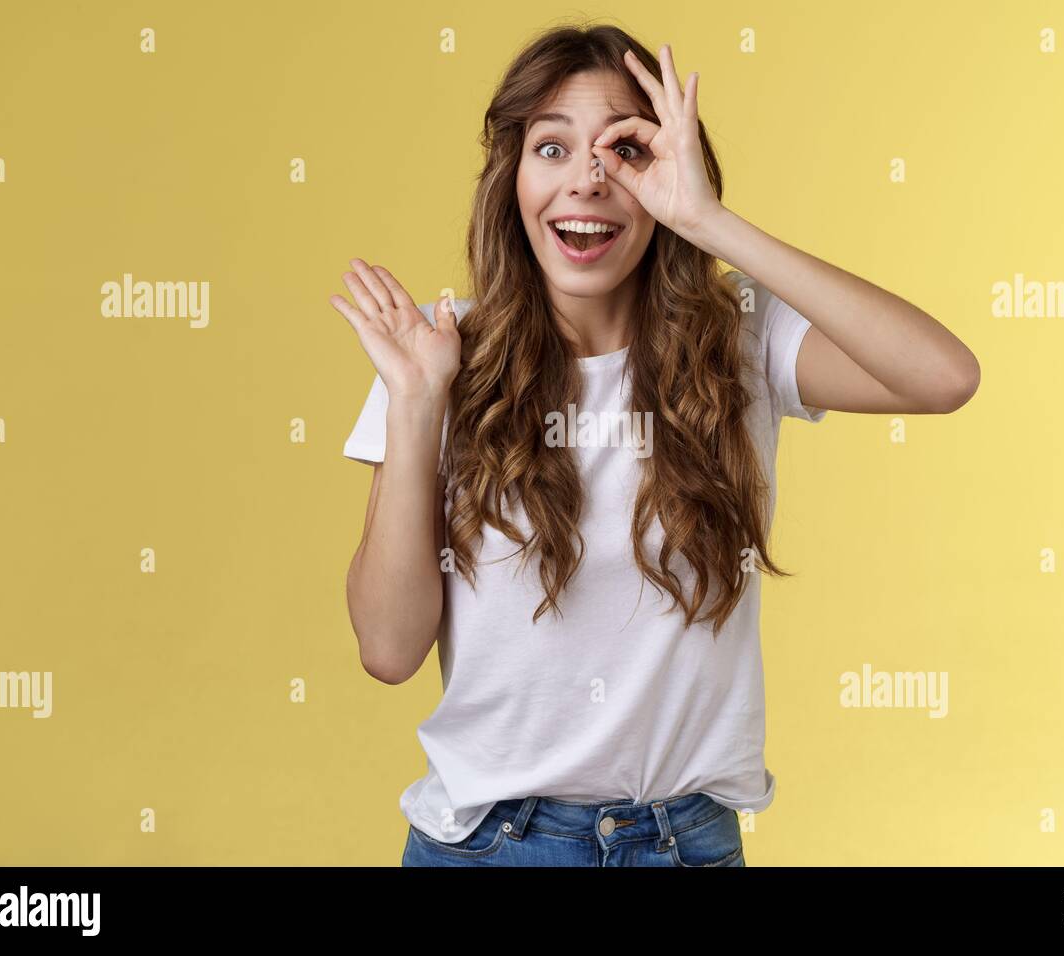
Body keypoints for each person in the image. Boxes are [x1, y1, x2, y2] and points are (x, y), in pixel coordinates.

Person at [329, 23, 980, 867]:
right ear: (511, 180)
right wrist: (417, 405)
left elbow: (944, 377)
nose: (586, 182)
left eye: (624, 153)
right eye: (552, 148)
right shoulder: (433, 354)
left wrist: (711, 223)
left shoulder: (739, 336)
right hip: (489, 847)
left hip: (688, 844)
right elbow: (388, 650)